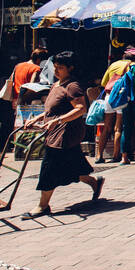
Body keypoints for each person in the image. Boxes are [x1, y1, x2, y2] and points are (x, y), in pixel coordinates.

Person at [23, 51, 102, 218]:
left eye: (60, 68)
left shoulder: (72, 86)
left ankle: (42, 206)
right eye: (55, 67)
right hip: (55, 132)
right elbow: (52, 108)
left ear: (70, 68)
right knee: (73, 168)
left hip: (64, 134)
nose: (56, 71)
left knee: (49, 169)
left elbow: (80, 109)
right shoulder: (57, 84)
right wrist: (38, 117)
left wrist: (58, 121)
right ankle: (95, 183)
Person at [96, 48, 135, 162]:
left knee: (107, 127)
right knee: (118, 127)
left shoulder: (113, 64)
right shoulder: (133, 65)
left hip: (109, 96)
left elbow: (104, 83)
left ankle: (99, 156)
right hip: (121, 97)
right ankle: (116, 155)